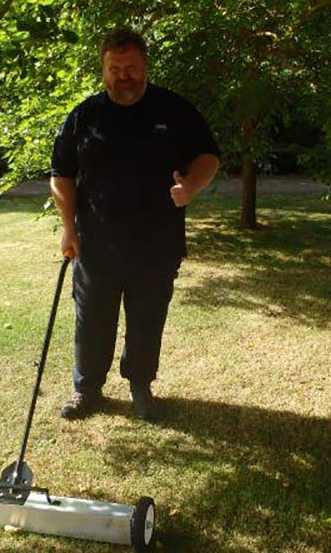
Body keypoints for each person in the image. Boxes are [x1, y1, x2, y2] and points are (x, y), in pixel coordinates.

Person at [50, 27, 220, 421]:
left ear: (145, 66)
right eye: (115, 68)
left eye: (131, 67)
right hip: (97, 244)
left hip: (156, 244)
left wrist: (191, 187)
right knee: (92, 319)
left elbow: (208, 156)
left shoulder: (174, 110)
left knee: (146, 319)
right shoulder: (85, 116)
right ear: (103, 69)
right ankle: (87, 388)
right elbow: (62, 174)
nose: (123, 75)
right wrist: (69, 227)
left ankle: (141, 388)